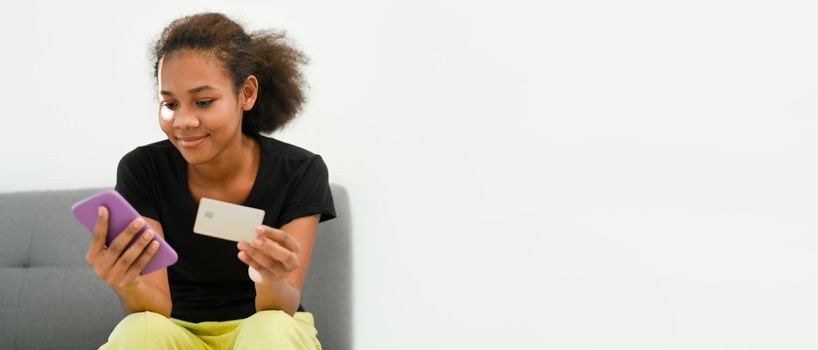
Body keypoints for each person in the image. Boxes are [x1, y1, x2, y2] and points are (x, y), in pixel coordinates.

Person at [85, 12, 335, 349]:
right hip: (178, 331)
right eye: (169, 103)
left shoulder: (300, 171)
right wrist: (127, 283)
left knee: (271, 329)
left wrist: (270, 280)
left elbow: (281, 308)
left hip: (266, 324)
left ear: (246, 93)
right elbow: (155, 309)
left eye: (203, 102)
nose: (184, 121)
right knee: (138, 330)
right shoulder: (143, 169)